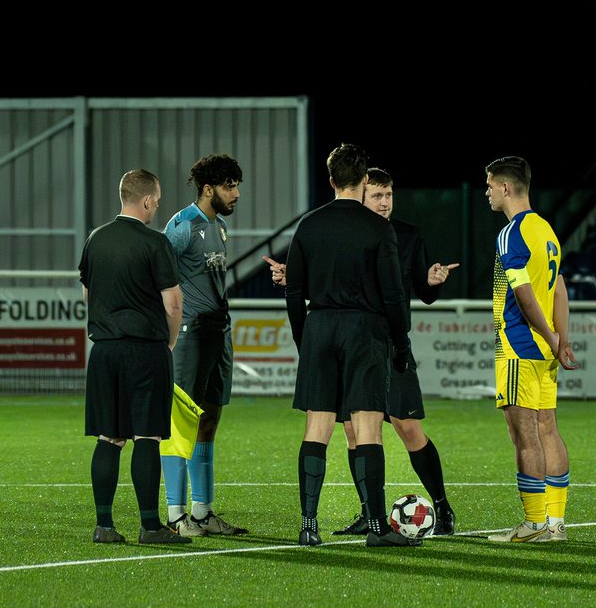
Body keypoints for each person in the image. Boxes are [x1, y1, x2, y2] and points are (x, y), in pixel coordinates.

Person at [265, 166, 460, 535]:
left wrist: (431, 282)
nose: (385, 202)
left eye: (389, 196)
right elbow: (338, 282)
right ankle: (369, 514)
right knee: (355, 430)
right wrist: (296, 278)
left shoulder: (406, 235)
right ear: (362, 193)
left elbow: (415, 290)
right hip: (362, 340)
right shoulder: (350, 229)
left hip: (385, 341)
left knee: (407, 427)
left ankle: (441, 506)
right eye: (377, 196)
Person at [284, 143, 415, 548]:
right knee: (368, 428)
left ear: (330, 180)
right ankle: (377, 528)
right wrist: (401, 342)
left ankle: (309, 525)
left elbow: (293, 290)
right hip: (365, 331)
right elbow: (393, 296)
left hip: (320, 326)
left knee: (318, 427)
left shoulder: (308, 225)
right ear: (362, 183)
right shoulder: (378, 228)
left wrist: (303, 338)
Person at [79, 168, 189, 545]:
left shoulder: (96, 239)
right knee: (147, 437)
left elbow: (88, 294)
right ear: (145, 200)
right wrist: (169, 343)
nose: (157, 206)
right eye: (156, 201)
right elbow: (173, 303)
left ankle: (104, 526)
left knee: (108, 438)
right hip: (145, 350)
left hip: (105, 351)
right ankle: (150, 526)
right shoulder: (155, 243)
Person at [484, 155, 577, 543]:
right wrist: (561, 339)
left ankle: (534, 524)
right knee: (548, 430)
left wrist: (552, 337)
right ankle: (555, 524)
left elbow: (524, 296)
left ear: (506, 187)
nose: (487, 193)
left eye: (489, 186)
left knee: (524, 435)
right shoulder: (545, 229)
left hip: (519, 347)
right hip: (546, 350)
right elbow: (559, 287)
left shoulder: (511, 233)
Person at [160, 153, 249, 538]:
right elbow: (158, 276)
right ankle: (175, 514)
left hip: (219, 333)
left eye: (237, 185)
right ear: (208, 188)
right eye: (230, 186)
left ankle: (202, 512)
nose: (237, 194)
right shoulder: (181, 227)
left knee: (209, 419)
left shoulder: (221, 227)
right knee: (180, 423)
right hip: (191, 334)